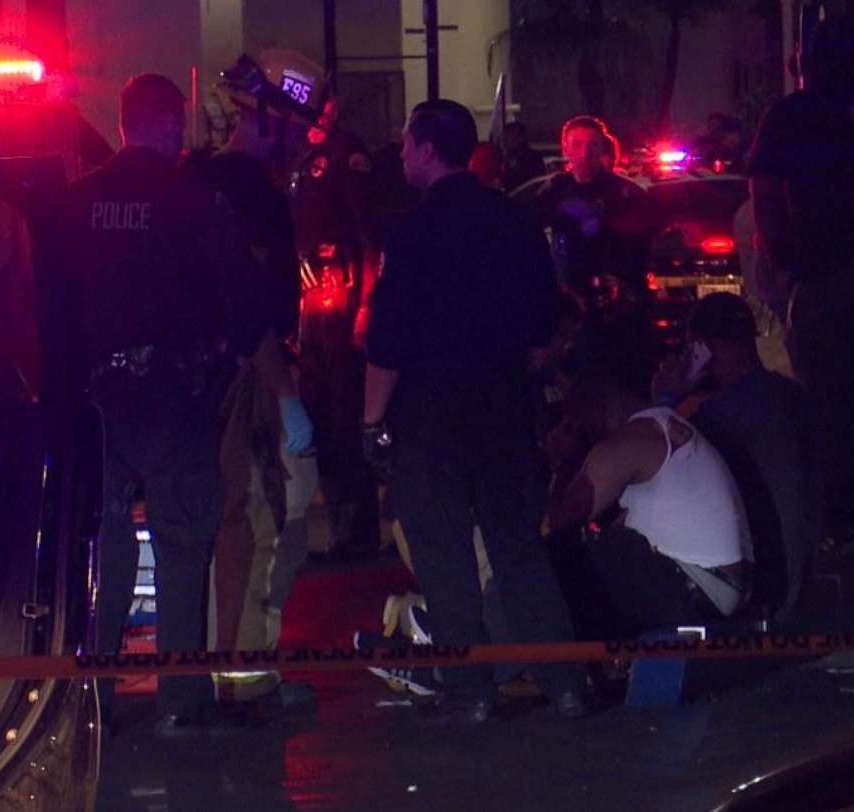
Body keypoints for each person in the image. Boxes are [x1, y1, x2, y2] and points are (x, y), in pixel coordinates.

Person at [363, 99, 588, 722]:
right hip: (505, 408)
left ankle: (471, 691)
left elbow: (386, 340)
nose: (402, 153)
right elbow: (547, 323)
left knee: (445, 555)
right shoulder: (515, 221)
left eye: (408, 143)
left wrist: (370, 423)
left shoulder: (411, 233)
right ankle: (565, 682)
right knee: (519, 548)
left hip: (430, 416)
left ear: (429, 149)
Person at [69, 74, 272, 735]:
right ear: (169, 122)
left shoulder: (76, 202)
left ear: (126, 123)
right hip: (175, 400)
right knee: (183, 544)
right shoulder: (192, 203)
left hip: (97, 400)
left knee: (102, 546)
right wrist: (232, 357)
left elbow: (46, 301)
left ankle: (92, 698)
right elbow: (246, 292)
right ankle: (181, 703)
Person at [185, 50, 322, 706]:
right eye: (297, 130)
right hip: (253, 385)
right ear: (270, 120)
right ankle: (247, 675)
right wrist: (289, 397)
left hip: (200, 383)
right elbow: (254, 304)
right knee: (272, 519)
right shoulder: (255, 191)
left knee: (224, 522)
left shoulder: (196, 178)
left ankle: (225, 667)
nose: (301, 146)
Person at [749, 17, 854, 538]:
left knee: (832, 398)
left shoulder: (789, 115)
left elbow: (766, 193)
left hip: (826, 277)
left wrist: (784, 265)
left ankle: (840, 514)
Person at [653, 293, 821, 622]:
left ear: (703, 348)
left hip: (766, 581)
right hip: (804, 569)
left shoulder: (724, 413)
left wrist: (667, 398)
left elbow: (661, 459)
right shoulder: (791, 395)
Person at [548, 370, 754, 634]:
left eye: (577, 420)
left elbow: (561, 520)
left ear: (600, 409)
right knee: (613, 537)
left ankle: (578, 662)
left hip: (701, 589)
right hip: (726, 585)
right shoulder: (664, 426)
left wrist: (563, 461)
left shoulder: (627, 442)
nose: (579, 429)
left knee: (576, 548)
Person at [291, 91, 382, 561]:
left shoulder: (346, 155)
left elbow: (369, 236)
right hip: (311, 307)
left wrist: (365, 307)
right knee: (320, 413)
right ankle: (340, 525)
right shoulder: (301, 156)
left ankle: (358, 529)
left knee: (344, 415)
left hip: (341, 306)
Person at [534, 115, 658, 304]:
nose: (585, 153)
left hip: (612, 298)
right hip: (564, 296)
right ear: (565, 149)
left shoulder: (623, 192)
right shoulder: (554, 190)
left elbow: (641, 246)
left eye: (592, 145)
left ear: (601, 148)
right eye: (577, 144)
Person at [500, 120, 545, 192]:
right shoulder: (508, 156)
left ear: (519, 138)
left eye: (508, 136)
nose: (504, 140)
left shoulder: (526, 158)